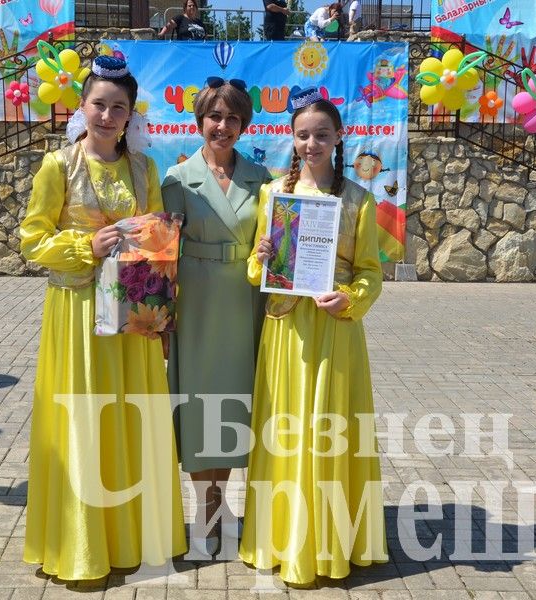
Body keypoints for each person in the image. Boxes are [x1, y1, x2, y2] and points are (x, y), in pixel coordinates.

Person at [21, 55, 187, 581]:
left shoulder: (145, 168)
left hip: (133, 312)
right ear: (83, 106)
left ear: (131, 114)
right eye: (99, 104)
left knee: (129, 417)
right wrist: (84, 245)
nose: (107, 115)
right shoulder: (59, 166)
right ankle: (81, 542)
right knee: (84, 419)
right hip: (77, 311)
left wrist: (162, 315)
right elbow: (32, 239)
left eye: (119, 107)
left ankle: (133, 535)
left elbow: (160, 243)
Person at [239, 87, 388, 585]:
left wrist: (351, 299)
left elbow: (370, 271)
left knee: (328, 433)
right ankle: (282, 538)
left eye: (322, 134)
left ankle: (328, 544)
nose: (311, 143)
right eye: (303, 134)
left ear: (339, 136)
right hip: (285, 331)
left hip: (334, 331)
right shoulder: (273, 196)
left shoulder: (359, 200)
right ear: (292, 137)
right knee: (286, 432)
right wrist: (260, 256)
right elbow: (254, 271)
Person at [161, 77, 271, 557]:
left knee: (231, 404)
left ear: (244, 124)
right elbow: (160, 253)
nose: (222, 126)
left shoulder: (264, 180)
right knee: (197, 402)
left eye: (232, 118)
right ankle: (206, 505)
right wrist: (159, 316)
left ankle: (218, 500)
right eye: (214, 117)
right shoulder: (176, 178)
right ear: (199, 120)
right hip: (196, 300)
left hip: (245, 300)